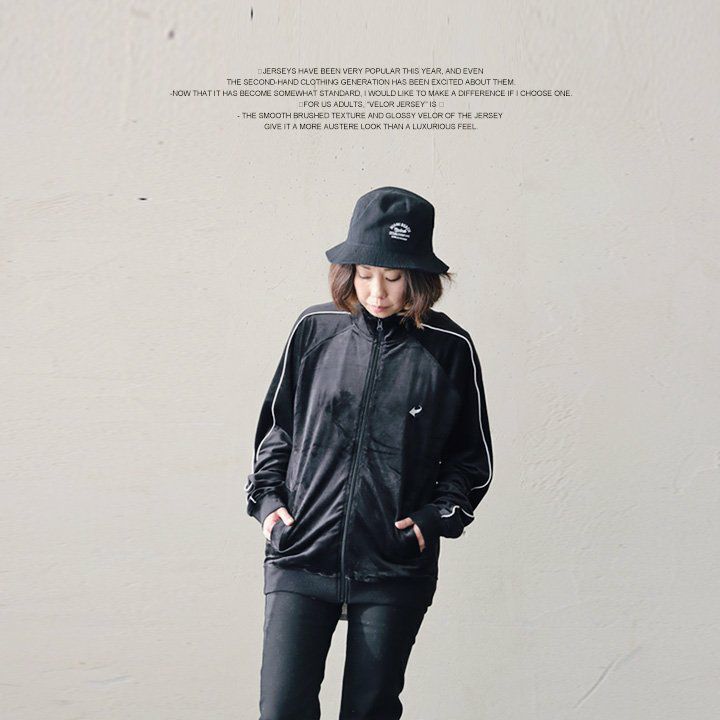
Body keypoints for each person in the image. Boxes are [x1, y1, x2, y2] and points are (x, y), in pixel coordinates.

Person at [245, 186, 494, 720]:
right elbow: (278, 430)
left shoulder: (450, 349)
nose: (376, 291)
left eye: (393, 276)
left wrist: (433, 519)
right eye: (364, 274)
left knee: (370, 711)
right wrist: (268, 506)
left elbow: (471, 459)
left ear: (418, 278)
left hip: (392, 565)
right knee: (282, 710)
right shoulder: (315, 329)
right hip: (301, 551)